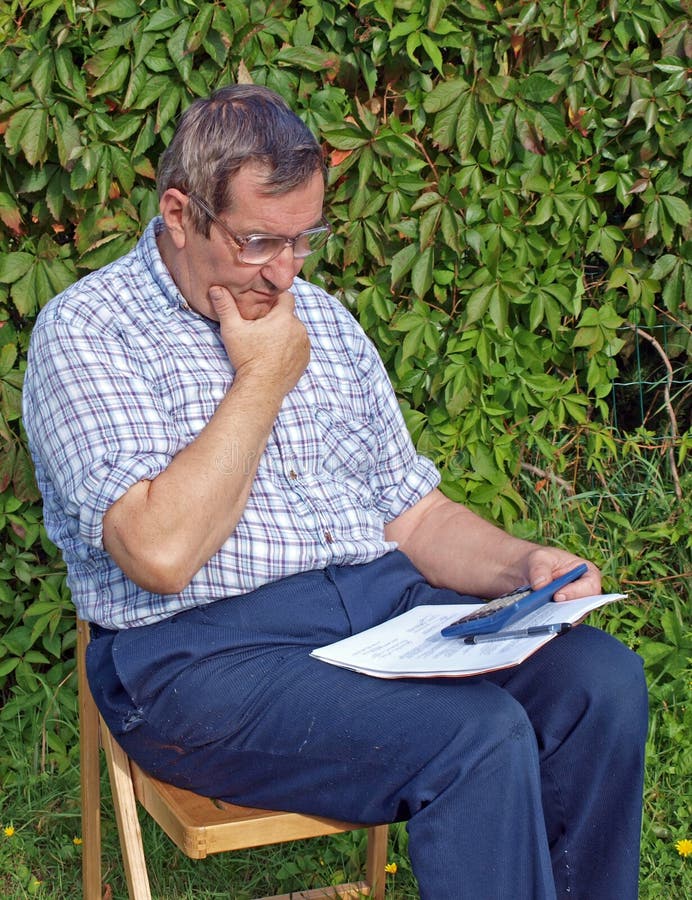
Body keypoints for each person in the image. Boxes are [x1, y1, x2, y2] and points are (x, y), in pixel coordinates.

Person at [23, 84, 647, 899]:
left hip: (379, 612)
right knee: (477, 737)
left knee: (600, 685)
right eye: (257, 241)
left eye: (303, 240)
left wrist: (523, 565)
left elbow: (414, 512)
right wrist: (261, 378)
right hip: (198, 658)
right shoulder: (88, 330)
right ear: (179, 214)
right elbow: (160, 555)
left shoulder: (323, 317)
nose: (284, 272)